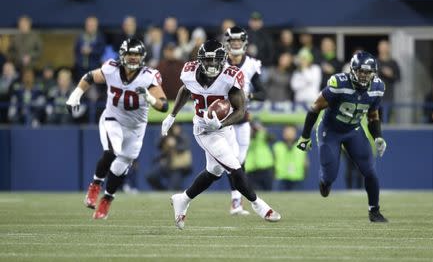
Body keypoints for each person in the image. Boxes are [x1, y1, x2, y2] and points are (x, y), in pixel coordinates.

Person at [161, 39, 281, 229]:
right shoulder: (190, 72)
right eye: (207, 61)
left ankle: (182, 199)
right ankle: (260, 205)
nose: (211, 64)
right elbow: (185, 90)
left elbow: (240, 110)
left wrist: (221, 124)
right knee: (234, 167)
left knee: (214, 171)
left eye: (215, 60)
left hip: (225, 129)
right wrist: (172, 115)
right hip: (204, 130)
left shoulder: (230, 76)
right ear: (200, 60)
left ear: (223, 59)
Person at [66, 38, 168, 219]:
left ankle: (107, 199)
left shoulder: (148, 76)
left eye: (137, 54)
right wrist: (76, 95)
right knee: (113, 151)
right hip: (113, 119)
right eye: (130, 54)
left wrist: (150, 99)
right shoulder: (111, 68)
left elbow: (164, 105)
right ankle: (95, 185)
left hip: (136, 128)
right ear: (122, 55)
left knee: (121, 167)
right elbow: (89, 77)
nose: (134, 58)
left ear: (142, 56)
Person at [297, 51, 388, 223]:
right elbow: (315, 108)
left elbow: (373, 115)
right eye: (361, 71)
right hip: (330, 131)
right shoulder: (339, 83)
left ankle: (374, 211)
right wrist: (304, 136)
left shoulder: (378, 87)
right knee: (330, 176)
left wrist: (378, 136)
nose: (364, 75)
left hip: (353, 130)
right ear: (353, 70)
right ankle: (325, 181)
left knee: (370, 170)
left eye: (368, 72)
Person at [222, 26, 267, 215]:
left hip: (243, 119)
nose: (236, 44)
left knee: (240, 160)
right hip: (225, 120)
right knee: (231, 162)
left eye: (238, 42)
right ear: (227, 43)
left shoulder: (251, 64)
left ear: (244, 43)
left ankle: (237, 201)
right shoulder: (220, 64)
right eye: (233, 42)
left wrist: (249, 94)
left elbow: (263, 93)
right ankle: (236, 202)